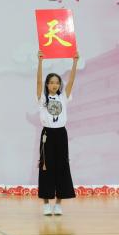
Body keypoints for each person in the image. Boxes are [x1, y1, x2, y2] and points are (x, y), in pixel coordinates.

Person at [36, 51, 78, 216]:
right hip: (47, 135)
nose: (54, 85)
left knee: (62, 167)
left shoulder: (63, 97)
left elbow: (72, 80)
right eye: (51, 82)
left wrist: (75, 62)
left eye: (57, 82)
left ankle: (59, 203)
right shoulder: (42, 98)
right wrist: (40, 62)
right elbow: (38, 81)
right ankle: (46, 203)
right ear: (47, 85)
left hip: (61, 134)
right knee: (46, 167)